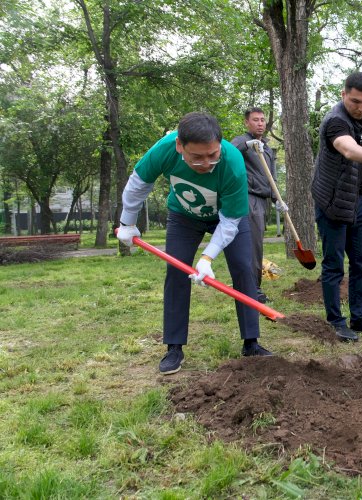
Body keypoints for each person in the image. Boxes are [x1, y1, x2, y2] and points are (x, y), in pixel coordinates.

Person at [117, 112, 272, 375]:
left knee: (244, 269)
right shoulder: (164, 150)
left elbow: (230, 222)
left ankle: (251, 342)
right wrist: (127, 223)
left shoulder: (232, 161)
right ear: (180, 146)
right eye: (196, 157)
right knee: (176, 274)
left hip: (228, 218)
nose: (206, 163)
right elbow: (138, 185)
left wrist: (208, 257)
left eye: (212, 155)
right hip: (183, 217)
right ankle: (174, 348)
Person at [311, 72, 362, 342]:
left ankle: (359, 317)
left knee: (361, 262)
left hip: (357, 203)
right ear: (344, 94)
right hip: (332, 204)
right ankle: (335, 321)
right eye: (356, 101)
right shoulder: (335, 120)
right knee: (334, 265)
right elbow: (347, 148)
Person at [230, 107, 288, 304]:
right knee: (253, 246)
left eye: (263, 120)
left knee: (257, 245)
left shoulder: (267, 148)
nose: (260, 123)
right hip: (249, 199)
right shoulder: (241, 141)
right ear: (247, 122)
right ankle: (253, 290)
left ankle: (252, 286)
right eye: (255, 120)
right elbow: (228, 153)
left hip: (263, 201)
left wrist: (277, 199)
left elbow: (270, 177)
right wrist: (247, 145)